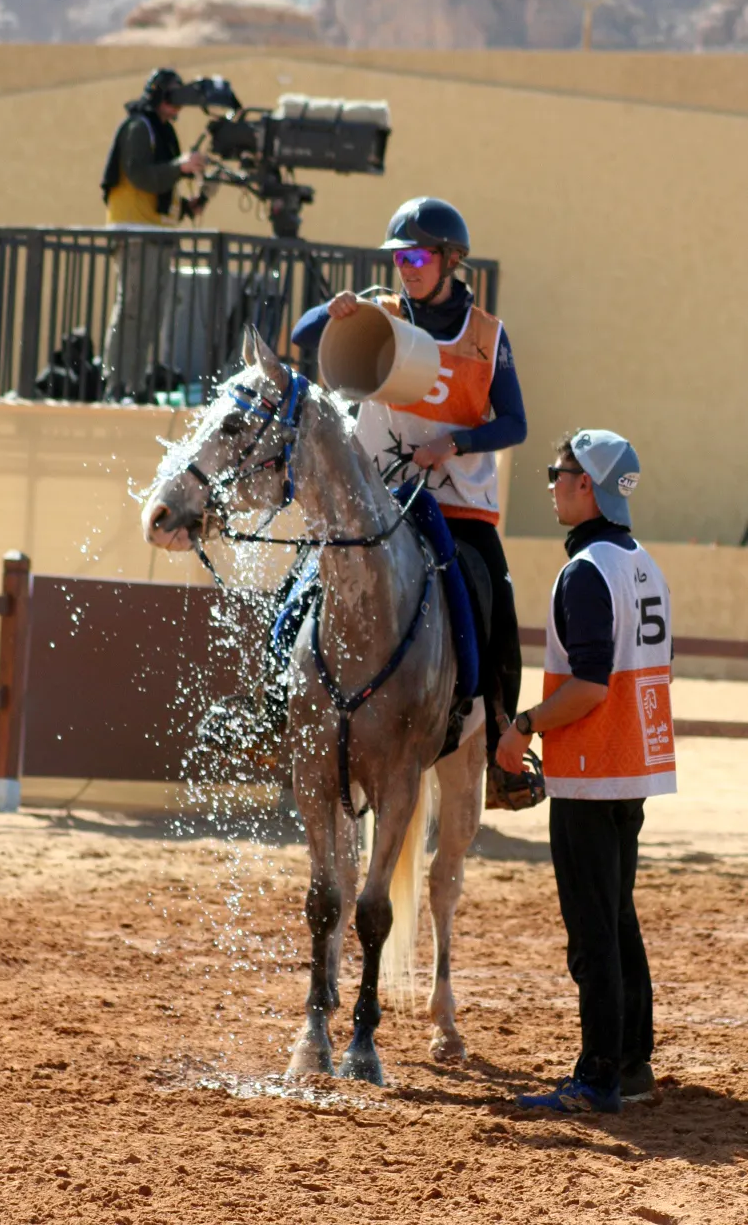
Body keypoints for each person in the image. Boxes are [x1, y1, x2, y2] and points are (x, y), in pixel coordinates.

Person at [291, 197, 528, 803]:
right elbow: (301, 337)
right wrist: (334, 308)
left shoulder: (487, 336)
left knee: (496, 601)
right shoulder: (382, 312)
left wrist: (455, 443)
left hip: (458, 505)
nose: (406, 267)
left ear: (451, 260)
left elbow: (516, 424)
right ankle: (270, 702)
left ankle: (501, 743)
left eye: (418, 256)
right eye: (399, 257)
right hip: (378, 500)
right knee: (300, 577)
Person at [497, 430, 676, 1114]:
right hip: (630, 768)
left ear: (587, 486)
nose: (549, 481)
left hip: (591, 771)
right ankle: (630, 1064)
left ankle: (599, 1075)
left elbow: (589, 686)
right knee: (616, 917)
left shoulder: (584, 571)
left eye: (558, 471)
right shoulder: (641, 563)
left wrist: (521, 729)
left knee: (593, 931)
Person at [100, 68, 207, 402]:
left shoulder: (162, 131)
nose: (177, 104)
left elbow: (162, 188)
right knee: (132, 307)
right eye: (172, 95)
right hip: (135, 233)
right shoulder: (138, 128)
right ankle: (115, 386)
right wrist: (180, 167)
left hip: (157, 234)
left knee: (150, 311)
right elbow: (140, 176)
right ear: (158, 95)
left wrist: (193, 203)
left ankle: (134, 385)